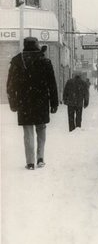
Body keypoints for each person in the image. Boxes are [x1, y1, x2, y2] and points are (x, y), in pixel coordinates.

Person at [7, 37, 59, 170]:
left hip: (24, 102)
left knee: (28, 130)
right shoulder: (45, 61)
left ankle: (30, 162)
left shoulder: (17, 61)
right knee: (41, 128)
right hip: (41, 100)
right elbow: (52, 84)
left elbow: (11, 85)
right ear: (36, 45)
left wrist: (13, 102)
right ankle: (40, 158)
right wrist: (54, 102)